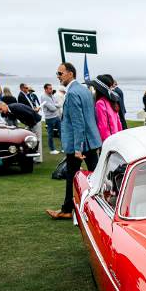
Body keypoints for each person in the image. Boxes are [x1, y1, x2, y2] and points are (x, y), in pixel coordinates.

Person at [46, 62, 102, 219]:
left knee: (73, 176)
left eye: (60, 73)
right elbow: (92, 117)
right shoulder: (85, 90)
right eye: (57, 73)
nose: (58, 76)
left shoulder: (72, 93)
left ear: (70, 73)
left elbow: (78, 123)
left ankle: (67, 210)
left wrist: (78, 148)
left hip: (79, 144)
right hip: (90, 141)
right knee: (95, 175)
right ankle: (95, 207)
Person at [42, 82, 62, 153]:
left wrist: (54, 105)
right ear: (45, 89)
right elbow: (52, 108)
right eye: (50, 89)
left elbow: (59, 105)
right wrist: (55, 105)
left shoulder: (52, 96)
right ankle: (52, 149)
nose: (51, 90)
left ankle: (63, 148)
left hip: (56, 116)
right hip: (49, 118)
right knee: (50, 134)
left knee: (61, 132)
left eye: (51, 88)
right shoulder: (44, 97)